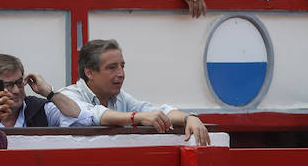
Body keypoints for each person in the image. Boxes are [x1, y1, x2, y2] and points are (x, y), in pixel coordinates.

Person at [58, 38, 211, 143]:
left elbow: (156, 112)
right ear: (89, 73)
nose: (121, 74)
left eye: (122, 66)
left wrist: (189, 118)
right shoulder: (68, 96)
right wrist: (136, 117)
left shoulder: (120, 97)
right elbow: (93, 114)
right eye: (112, 68)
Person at [0, 53, 91, 128]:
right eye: (8, 85)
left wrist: (49, 93)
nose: (17, 90)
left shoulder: (40, 109)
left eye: (19, 83)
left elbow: (82, 120)